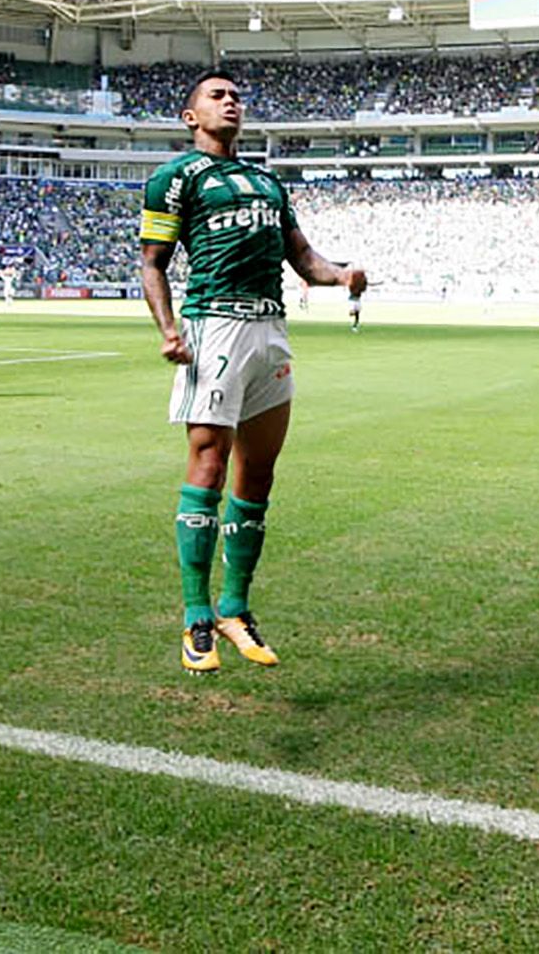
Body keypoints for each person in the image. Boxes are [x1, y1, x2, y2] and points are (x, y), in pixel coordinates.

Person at [139, 69, 367, 675]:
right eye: (216, 96)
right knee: (209, 463)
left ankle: (235, 608)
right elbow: (153, 262)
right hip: (213, 324)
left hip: (270, 330)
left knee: (259, 470)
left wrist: (341, 274)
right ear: (191, 117)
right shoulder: (175, 179)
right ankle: (195, 615)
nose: (231, 101)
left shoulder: (268, 182)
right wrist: (167, 329)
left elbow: (303, 258)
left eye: (235, 95)